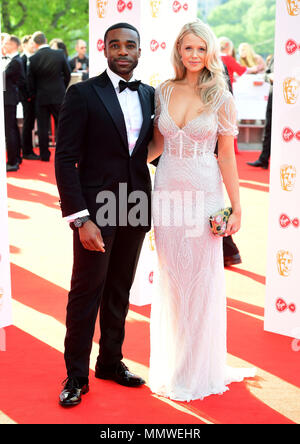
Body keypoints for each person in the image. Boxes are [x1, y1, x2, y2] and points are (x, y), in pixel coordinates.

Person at [147, 20, 255, 402]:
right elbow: (155, 147)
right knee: (173, 279)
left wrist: (236, 207)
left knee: (202, 283)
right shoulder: (163, 91)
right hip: (167, 196)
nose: (193, 55)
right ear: (178, 51)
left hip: (204, 195)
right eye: (187, 48)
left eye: (200, 49)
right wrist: (111, 174)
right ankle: (175, 364)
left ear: (210, 52)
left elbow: (226, 155)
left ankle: (198, 371)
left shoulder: (221, 98)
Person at [55, 23, 155, 407]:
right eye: (116, 45)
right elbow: (64, 159)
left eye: (130, 44)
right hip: (95, 210)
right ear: (105, 49)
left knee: (119, 289)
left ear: (140, 50)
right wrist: (80, 218)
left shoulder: (149, 94)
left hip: (135, 205)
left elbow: (150, 151)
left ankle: (111, 362)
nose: (123, 51)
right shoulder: (81, 93)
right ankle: (76, 375)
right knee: (86, 292)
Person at [27, 31, 71, 161]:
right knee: (63, 125)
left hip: (41, 97)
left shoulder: (33, 58)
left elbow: (30, 81)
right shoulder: (59, 54)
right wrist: (62, 87)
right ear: (46, 40)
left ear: (35, 43)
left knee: (42, 127)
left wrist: (34, 94)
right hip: (58, 95)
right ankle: (65, 152)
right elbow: (67, 74)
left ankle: (44, 155)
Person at [2, 35, 26, 172]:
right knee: (13, 129)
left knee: (9, 130)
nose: (4, 46)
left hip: (8, 99)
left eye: (6, 43)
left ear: (14, 45)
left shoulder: (15, 61)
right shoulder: (15, 60)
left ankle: (12, 161)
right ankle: (16, 157)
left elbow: (4, 78)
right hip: (10, 98)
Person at [247, 55, 274, 169]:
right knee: (268, 128)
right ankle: (263, 160)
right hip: (274, 97)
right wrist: (270, 77)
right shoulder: (276, 56)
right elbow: (266, 74)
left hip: (293, 100)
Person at [20, 35, 39, 160]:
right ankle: (26, 151)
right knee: (27, 123)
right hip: (26, 97)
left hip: (32, 97)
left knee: (30, 123)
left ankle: (28, 150)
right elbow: (22, 80)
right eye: (31, 43)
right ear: (25, 44)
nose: (34, 45)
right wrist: (27, 96)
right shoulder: (22, 59)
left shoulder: (33, 58)